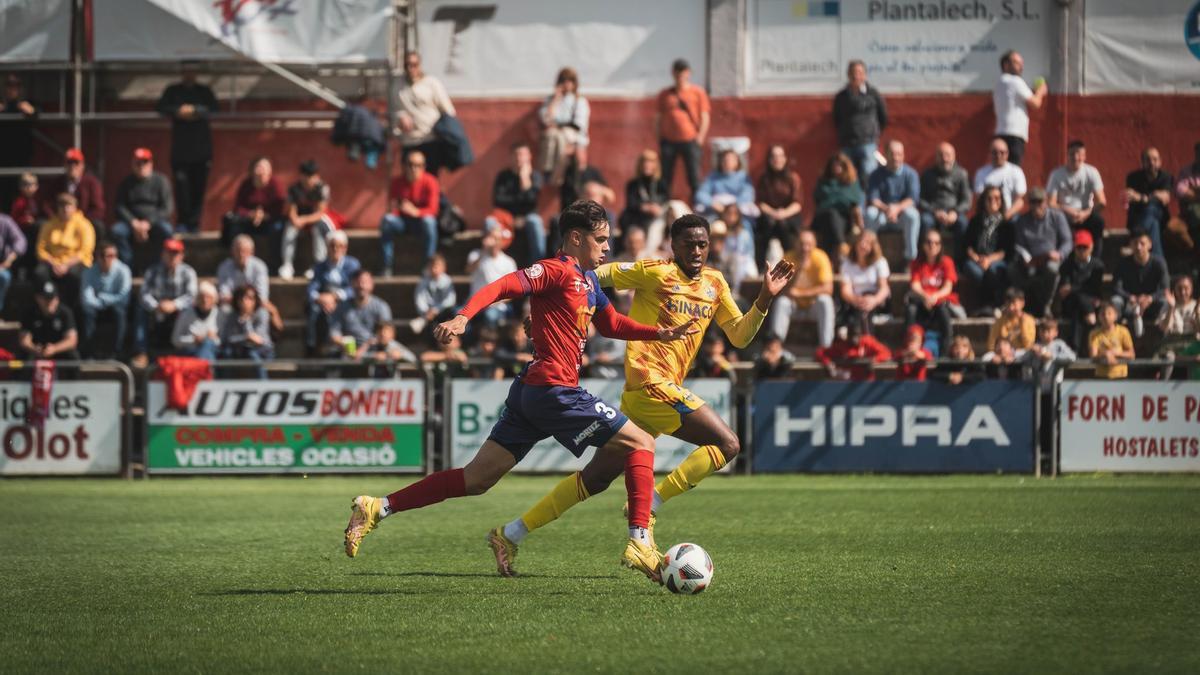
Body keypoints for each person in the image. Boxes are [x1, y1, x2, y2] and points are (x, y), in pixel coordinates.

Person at [343, 201, 702, 584]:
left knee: (476, 479)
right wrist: (464, 315)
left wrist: (658, 333)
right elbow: (503, 285)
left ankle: (377, 507)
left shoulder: (590, 280)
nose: (607, 248)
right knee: (641, 442)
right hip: (555, 390)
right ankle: (640, 541)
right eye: (600, 240)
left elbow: (612, 324)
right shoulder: (554, 270)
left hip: (531, 393)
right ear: (576, 238)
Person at [484, 212, 793, 576]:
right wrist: (551, 308)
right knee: (728, 444)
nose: (696, 250)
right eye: (689, 244)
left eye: (703, 244)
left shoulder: (715, 283)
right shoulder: (655, 271)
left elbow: (739, 337)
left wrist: (764, 300)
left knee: (595, 479)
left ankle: (509, 534)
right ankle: (647, 511)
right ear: (673, 246)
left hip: (651, 394)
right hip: (651, 382)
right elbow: (597, 274)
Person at [156, 62, 217, 232]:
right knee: (182, 188)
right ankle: (183, 222)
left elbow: (214, 108)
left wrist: (195, 111)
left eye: (192, 70)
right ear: (182, 71)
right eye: (186, 70)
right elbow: (161, 108)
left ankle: (194, 224)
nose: (189, 73)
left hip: (202, 151)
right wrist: (178, 111)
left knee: (198, 189)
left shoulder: (204, 91)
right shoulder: (173, 91)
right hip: (180, 152)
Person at [134, 237, 197, 365]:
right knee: (140, 309)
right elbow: (144, 294)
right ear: (163, 254)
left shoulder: (188, 272)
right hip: (157, 312)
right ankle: (141, 353)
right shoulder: (152, 271)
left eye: (176, 253)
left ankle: (185, 351)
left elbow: (192, 296)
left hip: (179, 312)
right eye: (169, 252)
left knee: (191, 309)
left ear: (181, 255)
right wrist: (157, 306)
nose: (172, 256)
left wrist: (174, 305)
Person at [1010, 187, 1071, 317]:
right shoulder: (1022, 221)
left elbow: (1067, 241)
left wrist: (1059, 254)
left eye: (1040, 201)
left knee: (1052, 269)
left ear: (1046, 202)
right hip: (1031, 260)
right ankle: (1020, 305)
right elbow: (1019, 245)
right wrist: (1025, 258)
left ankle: (1046, 305)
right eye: (1033, 202)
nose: (1037, 205)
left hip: (1051, 258)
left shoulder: (1057, 216)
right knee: (1012, 269)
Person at [111, 148, 174, 270]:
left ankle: (158, 268)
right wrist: (133, 223)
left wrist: (148, 223)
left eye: (145, 162)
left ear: (151, 163)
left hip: (154, 222)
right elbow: (119, 207)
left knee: (166, 230)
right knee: (117, 231)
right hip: (131, 224)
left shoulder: (161, 181)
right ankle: (127, 269)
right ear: (132, 164)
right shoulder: (126, 183)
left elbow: (167, 208)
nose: (141, 166)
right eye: (138, 163)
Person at [396, 51, 457, 175]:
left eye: (414, 64)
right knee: (409, 182)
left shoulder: (431, 83)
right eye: (407, 65)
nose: (410, 68)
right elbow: (393, 111)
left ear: (419, 65)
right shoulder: (397, 86)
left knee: (430, 179)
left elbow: (448, 111)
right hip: (410, 141)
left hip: (430, 139)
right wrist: (400, 117)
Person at [656, 59, 710, 199]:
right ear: (673, 74)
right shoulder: (665, 94)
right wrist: (659, 138)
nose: (680, 75)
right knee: (665, 177)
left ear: (689, 73)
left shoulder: (697, 92)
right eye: (678, 72)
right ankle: (665, 206)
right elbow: (657, 118)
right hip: (668, 140)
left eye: (683, 72)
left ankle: (698, 205)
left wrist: (700, 138)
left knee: (694, 176)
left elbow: (704, 116)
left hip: (690, 139)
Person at [380, 150, 440, 275]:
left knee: (429, 222)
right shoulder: (397, 182)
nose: (414, 168)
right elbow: (392, 207)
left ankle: (428, 266)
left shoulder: (431, 182)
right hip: (403, 222)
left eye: (418, 165)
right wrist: (394, 210)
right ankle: (387, 266)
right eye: (410, 164)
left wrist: (416, 212)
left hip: (421, 222)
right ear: (404, 166)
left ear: (424, 167)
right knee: (387, 220)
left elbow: (433, 210)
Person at [769, 230, 834, 347]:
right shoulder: (788, 258)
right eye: (802, 244)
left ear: (814, 245)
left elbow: (828, 288)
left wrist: (800, 294)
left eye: (809, 244)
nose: (805, 248)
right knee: (782, 303)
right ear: (796, 244)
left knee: (825, 301)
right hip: (794, 306)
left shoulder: (820, 257)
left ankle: (826, 348)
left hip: (813, 306)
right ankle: (775, 347)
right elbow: (780, 289)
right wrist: (797, 271)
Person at [219, 156, 287, 266]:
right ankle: (233, 259)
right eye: (259, 167)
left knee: (278, 228)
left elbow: (280, 207)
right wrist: (251, 214)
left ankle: (276, 264)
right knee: (234, 228)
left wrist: (264, 215)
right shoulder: (246, 184)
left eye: (264, 168)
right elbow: (238, 207)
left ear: (270, 171)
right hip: (249, 220)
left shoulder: (275, 185)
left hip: (269, 220)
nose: (261, 171)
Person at [1047, 140, 1108, 259]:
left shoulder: (1092, 172)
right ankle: (1061, 260)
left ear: (1084, 156)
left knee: (1099, 222)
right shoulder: (1056, 174)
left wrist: (1085, 213)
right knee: (1053, 222)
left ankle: (1095, 261)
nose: (1075, 157)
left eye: (1079, 154)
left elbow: (1102, 202)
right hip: (1064, 213)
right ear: (1067, 155)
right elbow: (1051, 203)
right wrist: (1068, 210)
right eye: (1072, 154)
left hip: (1086, 212)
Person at [35, 192, 95, 313]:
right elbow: (40, 249)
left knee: (74, 276)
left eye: (69, 206)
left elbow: (85, 251)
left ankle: (71, 309)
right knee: (39, 273)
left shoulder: (84, 224)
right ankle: (47, 306)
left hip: (76, 262)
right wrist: (53, 263)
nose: (65, 209)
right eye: (62, 206)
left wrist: (66, 265)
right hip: (53, 262)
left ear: (75, 207)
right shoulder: (49, 224)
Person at [906, 229, 964, 353]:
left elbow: (948, 287)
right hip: (922, 300)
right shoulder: (917, 263)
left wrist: (934, 296)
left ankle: (944, 351)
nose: (933, 246)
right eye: (929, 242)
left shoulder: (947, 262)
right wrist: (926, 296)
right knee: (910, 309)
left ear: (940, 246)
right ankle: (909, 347)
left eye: (937, 243)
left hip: (941, 300)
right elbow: (915, 285)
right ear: (923, 245)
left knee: (943, 310)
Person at [832, 60, 888, 188]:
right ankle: (852, 207)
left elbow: (883, 116)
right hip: (847, 144)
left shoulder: (873, 94)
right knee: (847, 177)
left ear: (865, 75)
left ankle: (868, 206)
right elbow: (836, 119)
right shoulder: (841, 97)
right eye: (853, 73)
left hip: (868, 143)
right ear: (848, 75)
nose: (856, 76)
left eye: (859, 73)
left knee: (868, 177)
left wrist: (872, 132)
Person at [487, 143, 545, 266]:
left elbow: (532, 200)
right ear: (511, 157)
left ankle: (538, 266)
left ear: (529, 157)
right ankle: (492, 263)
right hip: (506, 217)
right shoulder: (503, 176)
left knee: (535, 222)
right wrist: (514, 216)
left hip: (528, 217)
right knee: (490, 222)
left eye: (523, 154)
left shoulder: (535, 176)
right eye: (516, 154)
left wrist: (524, 178)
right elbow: (498, 201)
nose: (519, 158)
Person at [865, 140, 921, 263]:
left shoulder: (911, 174)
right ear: (886, 154)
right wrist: (888, 209)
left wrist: (896, 209)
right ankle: (870, 256)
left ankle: (909, 259)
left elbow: (913, 199)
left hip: (902, 216)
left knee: (913, 215)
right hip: (882, 214)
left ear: (903, 155)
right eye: (892, 154)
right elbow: (873, 199)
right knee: (869, 213)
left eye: (899, 154)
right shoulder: (876, 174)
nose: (896, 157)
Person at [960, 185, 1013, 312]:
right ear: (984, 201)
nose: (993, 201)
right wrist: (977, 259)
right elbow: (967, 245)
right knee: (973, 271)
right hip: (976, 259)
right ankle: (983, 305)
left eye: (997, 198)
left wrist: (988, 260)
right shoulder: (975, 221)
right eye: (989, 199)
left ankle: (992, 304)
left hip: (996, 260)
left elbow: (1006, 250)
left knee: (993, 271)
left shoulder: (1006, 224)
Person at [306, 231, 360, 355]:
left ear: (345, 248)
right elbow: (310, 290)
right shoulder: (320, 266)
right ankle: (312, 345)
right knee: (313, 309)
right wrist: (320, 298)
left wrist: (336, 297)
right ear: (327, 247)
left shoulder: (352, 264)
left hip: (345, 300)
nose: (336, 249)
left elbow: (355, 288)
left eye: (340, 246)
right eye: (332, 246)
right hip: (324, 302)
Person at [282, 160, 338, 280]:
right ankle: (287, 264)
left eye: (311, 176)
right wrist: (296, 220)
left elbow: (320, 212)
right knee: (289, 229)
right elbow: (291, 210)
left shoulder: (322, 188)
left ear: (317, 176)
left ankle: (318, 265)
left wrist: (303, 220)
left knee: (319, 230)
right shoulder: (294, 189)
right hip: (299, 219)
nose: (308, 180)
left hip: (316, 220)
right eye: (305, 176)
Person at [992, 50, 1047, 166]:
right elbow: (1035, 103)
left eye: (1021, 63)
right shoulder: (1015, 81)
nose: (1021, 66)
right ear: (1006, 65)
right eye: (1016, 63)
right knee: (1013, 170)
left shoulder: (999, 82)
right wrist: (1041, 90)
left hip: (1001, 132)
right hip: (1014, 134)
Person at [1111, 230, 1169, 338]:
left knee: (1164, 301)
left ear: (1150, 245)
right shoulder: (1123, 263)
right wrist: (1130, 297)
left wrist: (1150, 298)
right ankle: (1115, 334)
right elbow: (1116, 287)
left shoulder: (1159, 263)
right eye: (1135, 243)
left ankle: (1161, 334)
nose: (1138, 247)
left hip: (1151, 304)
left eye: (1142, 243)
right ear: (1130, 245)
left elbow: (1165, 288)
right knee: (1115, 301)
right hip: (1130, 304)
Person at [538, 67, 590, 186]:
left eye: (569, 80)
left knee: (558, 138)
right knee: (551, 135)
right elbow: (545, 119)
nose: (566, 84)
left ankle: (559, 175)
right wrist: (555, 100)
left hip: (572, 134)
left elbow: (578, 125)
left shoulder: (579, 101)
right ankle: (548, 170)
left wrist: (557, 125)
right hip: (556, 133)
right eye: (563, 80)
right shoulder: (551, 100)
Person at [38, 148, 105, 240]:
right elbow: (46, 204)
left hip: (83, 222)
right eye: (69, 163)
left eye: (76, 163)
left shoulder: (92, 183)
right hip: (60, 221)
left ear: (82, 166)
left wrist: (79, 220)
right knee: (39, 224)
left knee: (98, 226)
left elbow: (98, 209)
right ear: (64, 165)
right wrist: (55, 217)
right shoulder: (57, 182)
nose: (72, 166)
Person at [80, 241, 131, 359]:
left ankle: (116, 352)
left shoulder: (124, 271)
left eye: (110, 256)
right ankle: (89, 353)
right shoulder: (88, 272)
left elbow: (124, 298)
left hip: (115, 307)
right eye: (102, 255)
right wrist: (101, 303)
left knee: (119, 312)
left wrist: (103, 298)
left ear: (116, 257)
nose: (106, 259)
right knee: (87, 311)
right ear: (96, 256)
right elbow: (86, 298)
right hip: (96, 307)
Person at [1057, 229, 1106, 353]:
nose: (1082, 250)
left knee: (1078, 311)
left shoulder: (1098, 266)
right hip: (1074, 303)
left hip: (1089, 302)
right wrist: (1088, 307)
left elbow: (1094, 288)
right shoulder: (1067, 265)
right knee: (1078, 298)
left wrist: (1074, 288)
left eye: (1085, 247)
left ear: (1091, 247)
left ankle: (1074, 347)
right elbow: (1064, 291)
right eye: (1079, 247)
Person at [755, 144, 803, 267]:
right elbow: (760, 203)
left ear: (785, 158)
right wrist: (774, 213)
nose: (777, 159)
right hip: (769, 215)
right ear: (769, 159)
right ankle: (761, 267)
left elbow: (797, 203)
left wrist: (783, 214)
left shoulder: (793, 178)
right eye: (774, 156)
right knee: (765, 227)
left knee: (785, 227)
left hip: (789, 215)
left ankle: (791, 265)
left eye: (780, 156)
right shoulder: (764, 179)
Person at [811, 153, 864, 261]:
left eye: (840, 166)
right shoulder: (823, 182)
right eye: (834, 166)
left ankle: (830, 260)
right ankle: (841, 245)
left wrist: (861, 225)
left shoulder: (851, 182)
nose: (837, 168)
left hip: (845, 220)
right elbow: (819, 202)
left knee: (832, 222)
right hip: (823, 218)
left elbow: (854, 205)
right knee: (831, 215)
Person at [330, 270, 393, 355]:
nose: (361, 286)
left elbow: (387, 334)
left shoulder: (381, 306)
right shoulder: (341, 308)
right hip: (348, 353)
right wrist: (344, 344)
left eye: (365, 282)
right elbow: (334, 334)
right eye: (358, 282)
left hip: (375, 351)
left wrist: (365, 347)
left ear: (372, 284)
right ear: (351, 284)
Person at [1125, 147, 1173, 259]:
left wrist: (1143, 198)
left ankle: (1135, 238)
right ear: (1142, 162)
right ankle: (1159, 264)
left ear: (1160, 161)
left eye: (1155, 159)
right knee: (1153, 225)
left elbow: (1165, 198)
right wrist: (1154, 195)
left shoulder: (1166, 177)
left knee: (1151, 208)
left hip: (1161, 217)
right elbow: (1130, 196)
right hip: (1137, 218)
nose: (1151, 163)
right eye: (1148, 159)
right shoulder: (1133, 177)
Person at [838, 229, 891, 330]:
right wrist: (856, 299)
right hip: (854, 300)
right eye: (861, 241)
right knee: (861, 310)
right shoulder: (847, 264)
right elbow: (845, 289)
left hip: (876, 300)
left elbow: (884, 288)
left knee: (865, 311)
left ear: (873, 246)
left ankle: (866, 341)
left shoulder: (880, 262)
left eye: (867, 243)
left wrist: (874, 300)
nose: (863, 245)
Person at [919, 142, 972, 242]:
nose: (944, 159)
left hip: (954, 213)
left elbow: (966, 200)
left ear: (954, 156)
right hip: (933, 213)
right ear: (936, 157)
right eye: (941, 155)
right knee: (925, 221)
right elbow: (921, 199)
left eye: (948, 155)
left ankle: (960, 257)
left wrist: (955, 212)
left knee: (963, 223)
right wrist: (935, 211)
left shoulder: (962, 174)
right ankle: (923, 255)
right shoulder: (927, 174)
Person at [0, 74, 37, 210]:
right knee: (4, 193)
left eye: (15, 86)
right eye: (9, 86)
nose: (12, 90)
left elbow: (39, 113)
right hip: (3, 157)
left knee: (22, 192)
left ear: (20, 89)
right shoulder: (2, 105)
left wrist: (31, 111)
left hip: (21, 157)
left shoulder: (26, 103)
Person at [620, 150, 670, 252]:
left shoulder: (661, 184)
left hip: (657, 219)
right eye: (644, 162)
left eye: (651, 162)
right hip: (638, 219)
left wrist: (657, 208)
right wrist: (645, 208)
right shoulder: (633, 184)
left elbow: (667, 202)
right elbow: (631, 203)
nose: (647, 165)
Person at [465, 232, 518, 327]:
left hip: (497, 306)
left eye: (496, 238)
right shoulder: (476, 254)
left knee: (490, 316)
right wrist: (483, 251)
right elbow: (469, 270)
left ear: (501, 241)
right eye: (491, 237)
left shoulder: (509, 262)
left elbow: (513, 291)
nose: (493, 241)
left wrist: (495, 302)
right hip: (474, 303)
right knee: (459, 316)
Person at [219, 284, 274, 370]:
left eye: (250, 298)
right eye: (242, 298)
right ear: (237, 300)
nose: (245, 301)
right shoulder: (232, 316)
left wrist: (246, 320)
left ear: (255, 300)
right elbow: (227, 338)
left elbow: (258, 340)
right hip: (239, 350)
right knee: (226, 353)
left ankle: (263, 383)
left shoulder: (262, 314)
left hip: (262, 351)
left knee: (252, 354)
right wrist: (246, 337)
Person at [19, 281, 78, 360]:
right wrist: (34, 348)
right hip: (37, 351)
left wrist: (54, 348)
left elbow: (72, 340)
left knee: (73, 355)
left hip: (59, 351)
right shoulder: (30, 313)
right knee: (22, 357)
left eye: (51, 298)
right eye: (45, 298)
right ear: (37, 298)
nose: (49, 302)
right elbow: (24, 340)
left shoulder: (65, 313)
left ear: (57, 299)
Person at [816, 318, 890, 381]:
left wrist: (875, 360)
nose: (854, 339)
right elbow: (820, 352)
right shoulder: (843, 345)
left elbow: (886, 353)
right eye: (852, 335)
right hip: (848, 381)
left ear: (861, 335)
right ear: (848, 336)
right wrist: (827, 362)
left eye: (857, 335)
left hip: (866, 381)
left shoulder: (868, 342)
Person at [695, 148, 756, 223]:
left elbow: (747, 195)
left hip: (737, 215)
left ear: (737, 162)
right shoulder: (713, 176)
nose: (728, 162)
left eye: (731, 160)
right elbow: (701, 194)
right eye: (725, 160)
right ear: (721, 162)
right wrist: (712, 203)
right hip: (716, 213)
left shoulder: (743, 177)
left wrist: (731, 208)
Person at [974, 137, 1027, 221]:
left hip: (1010, 216)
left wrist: (1005, 217)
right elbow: (980, 198)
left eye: (1002, 152)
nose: (998, 155)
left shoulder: (1016, 171)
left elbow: (1020, 201)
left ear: (1007, 153)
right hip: (987, 215)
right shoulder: (981, 173)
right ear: (990, 153)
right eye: (995, 152)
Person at [714, 203, 757, 298]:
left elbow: (750, 253)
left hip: (741, 264)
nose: (731, 217)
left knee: (737, 260)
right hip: (723, 260)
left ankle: (735, 292)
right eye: (728, 213)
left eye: (734, 214)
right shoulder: (720, 229)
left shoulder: (744, 233)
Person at [172, 281, 221, 363]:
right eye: (202, 297)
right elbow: (175, 340)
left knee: (208, 344)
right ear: (197, 298)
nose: (205, 300)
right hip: (190, 350)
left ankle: (202, 370)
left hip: (213, 350)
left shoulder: (220, 314)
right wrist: (193, 340)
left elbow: (222, 341)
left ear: (214, 299)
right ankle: (205, 372)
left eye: (208, 297)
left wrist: (213, 338)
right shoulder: (186, 314)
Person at [216, 235, 269, 305]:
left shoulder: (259, 267)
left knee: (262, 313)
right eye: (238, 250)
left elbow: (262, 296)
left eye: (245, 251)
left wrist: (247, 302)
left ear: (252, 252)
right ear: (232, 251)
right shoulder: (224, 267)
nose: (241, 254)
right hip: (232, 305)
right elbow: (223, 294)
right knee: (224, 310)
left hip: (254, 305)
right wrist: (240, 302)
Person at [413, 253, 457, 334]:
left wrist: (436, 309)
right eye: (432, 266)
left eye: (437, 266)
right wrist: (426, 311)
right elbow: (419, 299)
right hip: (428, 313)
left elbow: (450, 300)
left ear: (443, 268)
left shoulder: (447, 281)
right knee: (430, 328)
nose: (434, 269)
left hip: (443, 311)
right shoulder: (423, 282)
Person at [1090, 301, 1134, 379]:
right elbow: (1093, 356)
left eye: (1109, 313)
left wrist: (1116, 353)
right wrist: (1105, 354)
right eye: (1103, 314)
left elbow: (1131, 354)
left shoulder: (1123, 331)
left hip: (1120, 374)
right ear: (1099, 316)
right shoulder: (1094, 334)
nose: (1106, 316)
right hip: (1101, 375)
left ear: (1115, 316)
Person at [1029, 318, 1076, 391]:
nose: (1045, 334)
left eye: (1048, 331)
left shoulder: (1059, 345)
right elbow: (1024, 359)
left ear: (1056, 332)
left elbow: (1072, 357)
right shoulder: (1035, 346)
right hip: (1038, 387)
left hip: (1056, 386)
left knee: (1054, 401)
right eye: (1042, 331)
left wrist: (1052, 356)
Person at [1158, 275, 1199, 354]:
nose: (1183, 292)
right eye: (1179, 289)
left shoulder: (1197, 306)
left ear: (1191, 289)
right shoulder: (1168, 305)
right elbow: (1164, 328)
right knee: (1168, 357)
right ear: (1175, 289)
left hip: (1192, 343)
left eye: (1186, 289)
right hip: (1172, 343)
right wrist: (1171, 308)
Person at [987, 287, 1037, 353]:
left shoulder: (1028, 320)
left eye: (1014, 304)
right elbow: (991, 344)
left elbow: (1028, 345)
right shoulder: (1000, 321)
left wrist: (1022, 324)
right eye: (1008, 304)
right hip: (1002, 355)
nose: (1011, 308)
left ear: (1022, 303)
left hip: (1022, 354)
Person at [0, 212, 25, 312]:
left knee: (3, 277)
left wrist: (10, 258)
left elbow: (21, 241)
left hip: (2, 266)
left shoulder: (5, 221)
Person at [1177, 142, 1200, 237]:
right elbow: (1180, 191)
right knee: (1194, 211)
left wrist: (1193, 190)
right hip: (1192, 209)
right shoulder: (1186, 171)